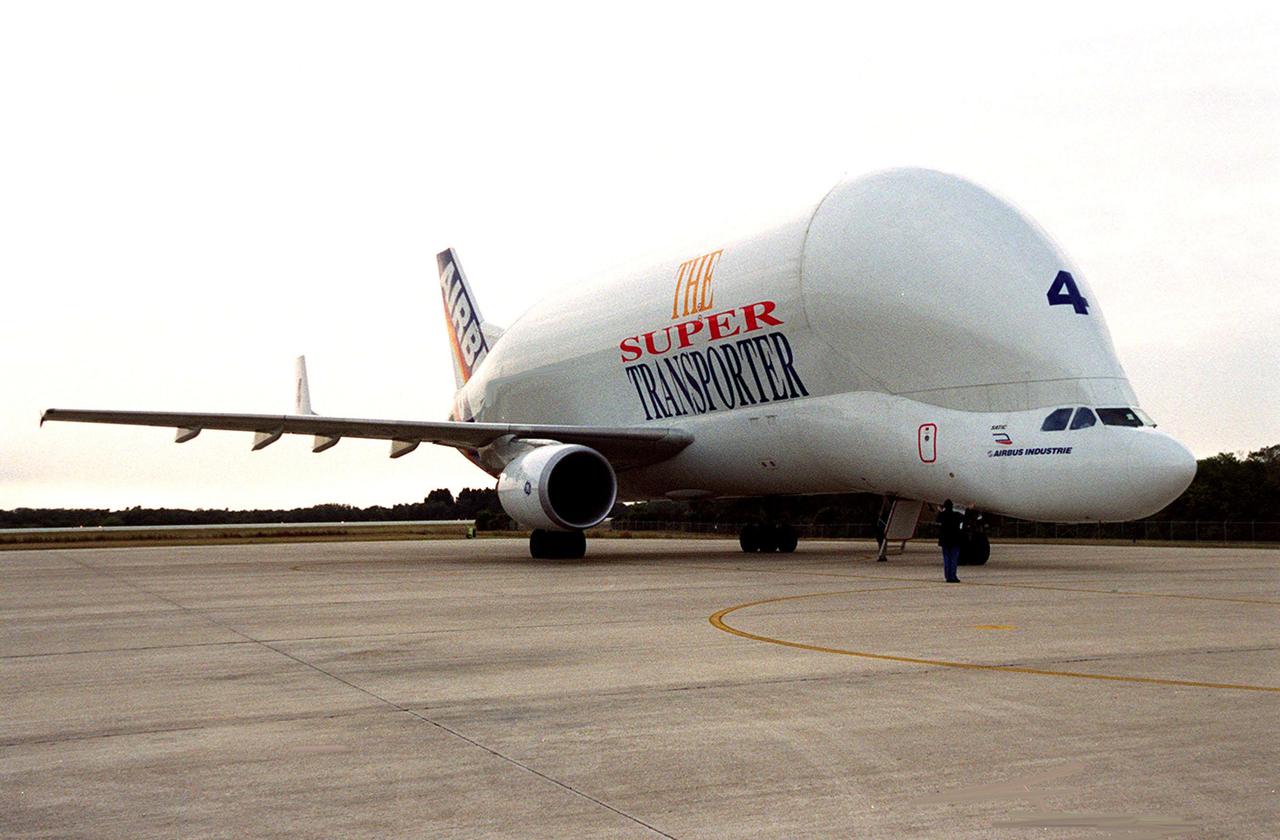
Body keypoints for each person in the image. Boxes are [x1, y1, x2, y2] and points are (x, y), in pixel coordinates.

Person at [936, 499, 964, 583]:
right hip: (955, 540)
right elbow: (965, 518)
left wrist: (940, 511)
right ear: (952, 507)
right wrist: (969, 509)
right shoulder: (956, 515)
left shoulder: (943, 515)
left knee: (946, 559)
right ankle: (953, 576)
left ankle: (948, 576)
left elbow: (937, 519)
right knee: (953, 559)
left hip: (945, 540)